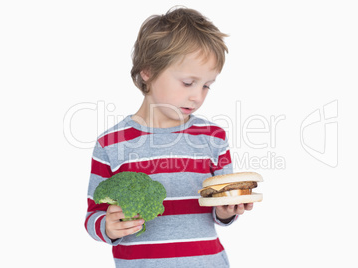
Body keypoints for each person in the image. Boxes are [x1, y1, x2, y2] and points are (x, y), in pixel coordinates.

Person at [85, 7, 253, 267]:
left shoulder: (213, 138)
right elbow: (93, 214)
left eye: (207, 85)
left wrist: (226, 211)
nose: (197, 96)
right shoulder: (111, 143)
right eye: (188, 83)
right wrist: (106, 226)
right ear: (148, 71)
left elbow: (221, 208)